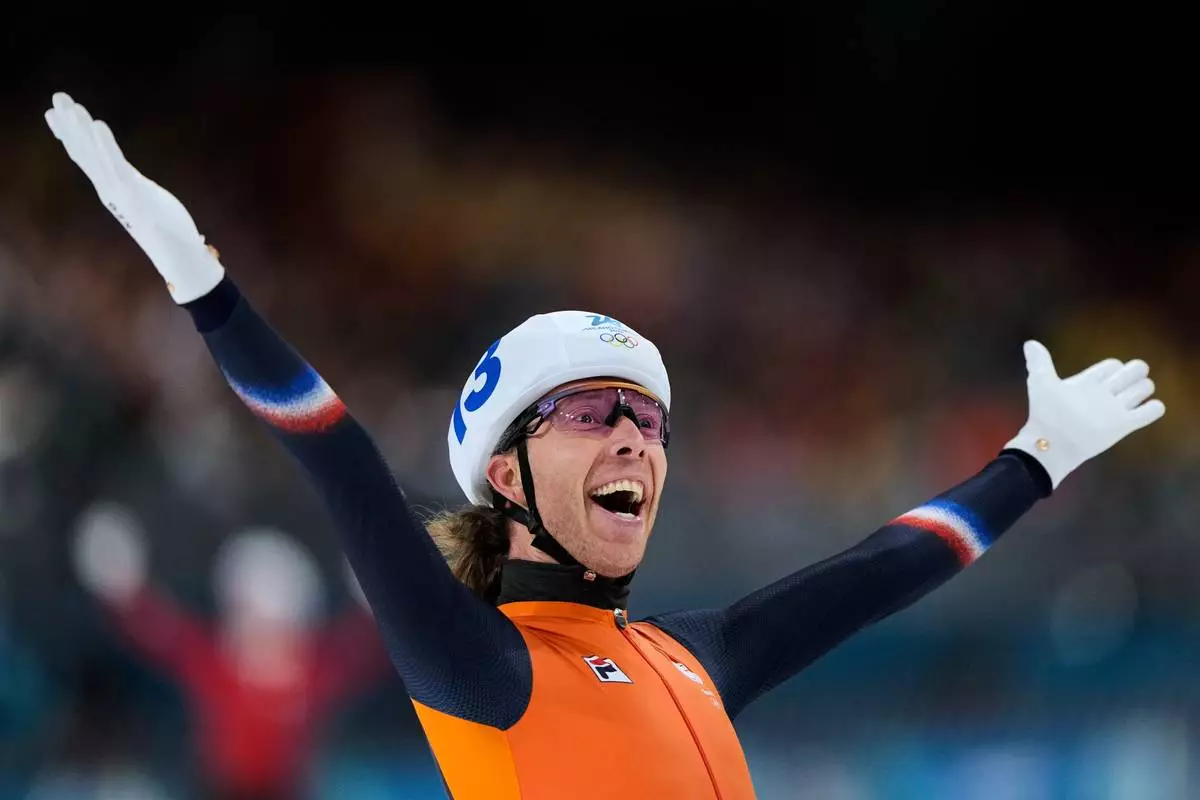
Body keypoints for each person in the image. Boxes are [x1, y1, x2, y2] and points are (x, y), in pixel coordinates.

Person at [43, 92, 1167, 800]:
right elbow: (333, 448)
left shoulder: (697, 654)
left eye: (648, 417)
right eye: (591, 412)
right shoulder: (478, 665)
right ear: (504, 473)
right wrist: (204, 284)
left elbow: (883, 568)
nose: (633, 434)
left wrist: (1032, 460)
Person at [70, 500, 391, 800]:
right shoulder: (216, 663)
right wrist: (122, 585)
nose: (256, 632)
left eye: (266, 620)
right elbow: (156, 630)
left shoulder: (317, 669)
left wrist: (379, 581)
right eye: (244, 615)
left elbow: (369, 643)